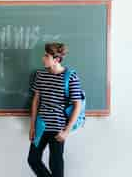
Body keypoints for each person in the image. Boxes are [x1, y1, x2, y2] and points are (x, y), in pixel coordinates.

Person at [27, 42, 83, 177]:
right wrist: (32, 125)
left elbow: (77, 105)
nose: (43, 58)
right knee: (33, 159)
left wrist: (66, 131)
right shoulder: (40, 75)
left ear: (56, 59)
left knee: (55, 164)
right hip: (41, 125)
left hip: (58, 127)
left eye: (46, 56)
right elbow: (36, 100)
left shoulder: (70, 77)